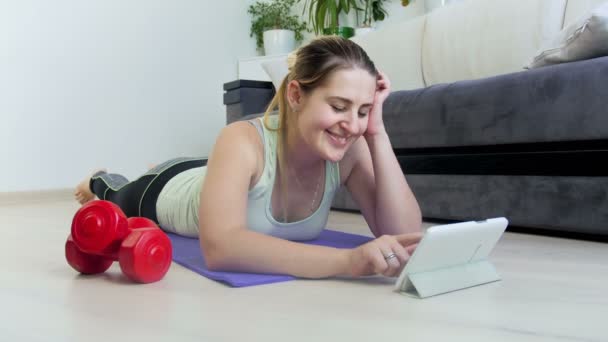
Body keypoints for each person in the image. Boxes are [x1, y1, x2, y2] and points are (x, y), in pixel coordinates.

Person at [74, 36, 422, 279]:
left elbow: (405, 234)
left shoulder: (352, 147)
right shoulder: (241, 138)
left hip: (216, 172)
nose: (351, 124)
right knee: (117, 195)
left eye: (363, 110)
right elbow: (221, 247)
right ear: (296, 95)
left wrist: (376, 131)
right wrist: (347, 261)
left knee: (213, 168)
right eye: (338, 106)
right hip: (168, 189)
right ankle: (100, 177)